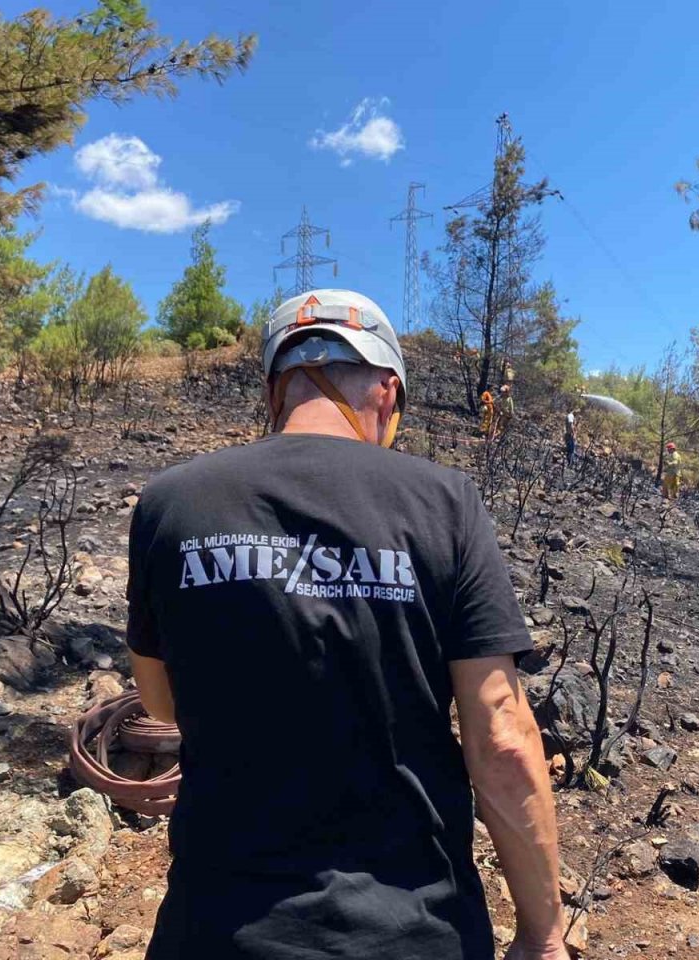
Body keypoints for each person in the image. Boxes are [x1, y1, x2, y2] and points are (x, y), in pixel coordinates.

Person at [126, 289, 567, 960]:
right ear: (387, 394)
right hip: (417, 932)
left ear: (276, 391)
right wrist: (542, 934)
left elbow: (162, 704)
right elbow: (502, 737)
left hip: (218, 929)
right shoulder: (447, 503)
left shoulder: (170, 504)